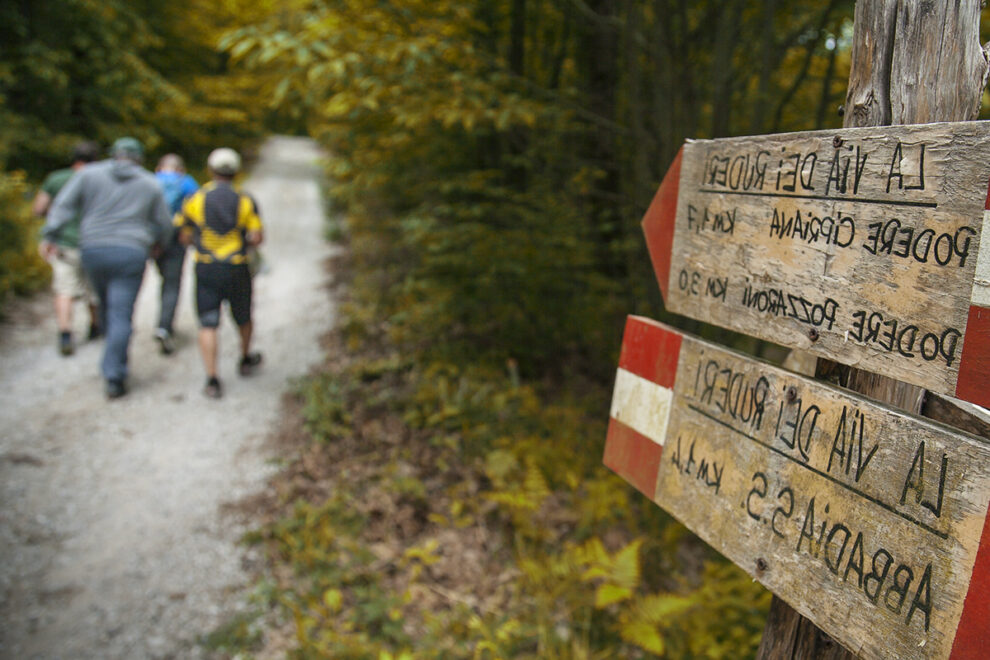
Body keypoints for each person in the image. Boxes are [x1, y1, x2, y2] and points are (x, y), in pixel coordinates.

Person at [43, 137, 172, 399]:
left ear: (114, 154)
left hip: (93, 249)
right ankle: (114, 374)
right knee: (121, 313)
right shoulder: (150, 183)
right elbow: (165, 223)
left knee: (105, 306)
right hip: (132, 252)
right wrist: (159, 244)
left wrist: (50, 235)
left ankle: (111, 358)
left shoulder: (89, 175)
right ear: (139, 158)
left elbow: (63, 205)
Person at [175, 147, 263, 399]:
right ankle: (245, 358)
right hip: (236, 266)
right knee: (243, 315)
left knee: (208, 321)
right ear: (236, 172)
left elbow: (184, 235)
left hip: (206, 266)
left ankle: (212, 378)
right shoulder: (245, 200)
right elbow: (257, 237)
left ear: (210, 170)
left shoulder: (195, 199)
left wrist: (200, 244)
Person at [33, 141, 102, 355]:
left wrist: (50, 226)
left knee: (64, 289)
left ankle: (65, 333)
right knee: (94, 289)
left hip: (63, 243)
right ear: (96, 159)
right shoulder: (102, 180)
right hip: (95, 243)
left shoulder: (56, 179)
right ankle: (95, 326)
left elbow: (38, 208)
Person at [153, 153, 198, 354]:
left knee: (160, 277)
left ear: (159, 167)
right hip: (177, 239)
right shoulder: (187, 183)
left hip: (152, 239)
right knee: (172, 283)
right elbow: (198, 211)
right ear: (181, 169)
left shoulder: (150, 181)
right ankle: (164, 326)